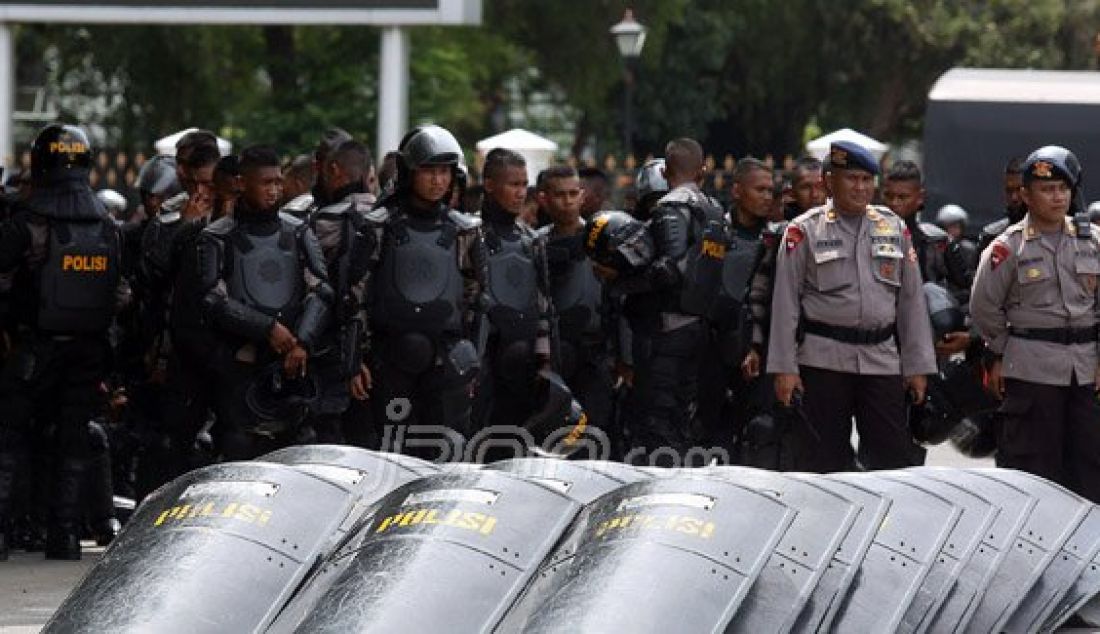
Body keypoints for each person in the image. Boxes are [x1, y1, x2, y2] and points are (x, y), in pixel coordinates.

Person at [767, 140, 936, 472]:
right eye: (852, 179)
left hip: (881, 360)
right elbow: (785, 303)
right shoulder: (804, 231)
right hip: (823, 361)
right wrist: (785, 369)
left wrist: (917, 366)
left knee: (892, 463)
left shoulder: (893, 227)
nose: (861, 188)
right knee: (823, 463)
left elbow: (911, 302)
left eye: (867, 180)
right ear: (829, 182)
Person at [0, 124, 128, 559]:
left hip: (34, 348)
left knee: (9, 435)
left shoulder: (28, 221)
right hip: (89, 350)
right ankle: (66, 537)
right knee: (73, 441)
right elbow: (120, 291)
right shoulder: (106, 224)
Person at [970, 145, 1100, 503]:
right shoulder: (1007, 248)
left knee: (1090, 466)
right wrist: (1001, 351)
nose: (1057, 196)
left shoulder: (1092, 242)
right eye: (1046, 189)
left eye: (1063, 188)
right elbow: (984, 308)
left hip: (1086, 371)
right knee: (1034, 471)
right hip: (1031, 370)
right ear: (1026, 195)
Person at [196, 145, 332, 460]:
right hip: (239, 365)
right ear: (242, 183)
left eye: (277, 182)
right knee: (238, 448)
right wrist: (267, 329)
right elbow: (212, 299)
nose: (274, 190)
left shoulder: (298, 230)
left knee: (295, 453)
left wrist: (303, 342)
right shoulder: (217, 237)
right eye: (265, 183)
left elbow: (321, 289)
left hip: (292, 365)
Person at [358, 125, 486, 460]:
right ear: (409, 172)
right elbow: (355, 294)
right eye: (429, 171)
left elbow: (477, 298)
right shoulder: (379, 225)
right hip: (390, 357)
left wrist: (473, 360)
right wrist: (355, 359)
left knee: (445, 454)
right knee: (390, 455)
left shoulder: (464, 230)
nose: (438, 180)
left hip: (447, 359)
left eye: (444, 171)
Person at [632, 137, 725, 465]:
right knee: (685, 412)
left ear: (667, 169)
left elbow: (671, 268)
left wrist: (632, 274)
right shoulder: (714, 209)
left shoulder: (671, 207)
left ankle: (664, 484)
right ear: (703, 169)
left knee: (659, 415)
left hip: (670, 325)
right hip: (701, 323)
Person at [472, 149, 554, 452]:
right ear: (490, 184)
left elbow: (543, 305)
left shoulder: (531, 241)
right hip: (480, 357)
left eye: (524, 185)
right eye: (513, 185)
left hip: (521, 358)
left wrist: (545, 360)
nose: (521, 193)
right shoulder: (469, 233)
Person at [698, 158, 773, 454]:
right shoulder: (714, 232)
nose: (767, 196)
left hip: (759, 352)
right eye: (760, 190)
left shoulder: (777, 238)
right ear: (738, 191)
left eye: (771, 190)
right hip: (713, 349)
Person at [537, 165, 614, 453]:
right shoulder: (537, 243)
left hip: (597, 351)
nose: (568, 201)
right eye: (560, 195)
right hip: (555, 355)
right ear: (544, 199)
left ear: (582, 196)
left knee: (596, 435)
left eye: (573, 194)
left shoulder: (604, 238)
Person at [306, 138, 376, 446]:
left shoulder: (320, 222)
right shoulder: (391, 218)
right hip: (388, 349)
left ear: (334, 170)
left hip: (331, 346)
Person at [977, 157, 1028, 253]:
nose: (1014, 198)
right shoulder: (991, 236)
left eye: (1019, 190)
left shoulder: (1055, 231)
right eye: (1009, 191)